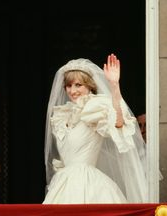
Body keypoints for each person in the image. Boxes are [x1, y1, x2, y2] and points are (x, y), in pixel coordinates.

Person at [43, 54, 148, 204]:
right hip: (63, 185)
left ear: (90, 86)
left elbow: (118, 123)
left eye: (78, 85)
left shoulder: (95, 107)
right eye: (69, 85)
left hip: (89, 184)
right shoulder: (62, 115)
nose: (72, 90)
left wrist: (114, 85)